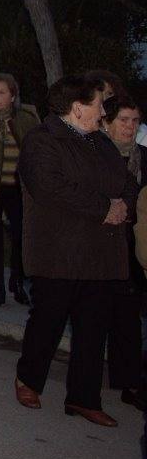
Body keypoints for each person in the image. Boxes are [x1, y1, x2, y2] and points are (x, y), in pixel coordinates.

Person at [14, 76, 136, 428]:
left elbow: (127, 181)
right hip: (59, 249)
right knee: (48, 320)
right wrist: (103, 208)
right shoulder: (43, 139)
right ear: (78, 107)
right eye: (98, 103)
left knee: (93, 327)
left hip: (100, 252)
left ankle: (84, 398)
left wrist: (123, 206)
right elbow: (50, 186)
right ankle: (29, 379)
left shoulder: (101, 141)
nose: (103, 110)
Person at [0, 73, 41, 307]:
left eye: (1, 93)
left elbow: (38, 152)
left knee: (22, 236)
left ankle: (18, 281)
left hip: (20, 188)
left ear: (13, 95)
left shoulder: (27, 118)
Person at [101, 97, 145, 411]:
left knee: (129, 318)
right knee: (93, 314)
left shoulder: (143, 158)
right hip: (96, 245)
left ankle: (129, 381)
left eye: (134, 121)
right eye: (123, 120)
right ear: (107, 122)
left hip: (133, 247)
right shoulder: (94, 155)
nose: (129, 127)